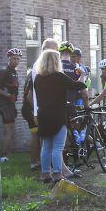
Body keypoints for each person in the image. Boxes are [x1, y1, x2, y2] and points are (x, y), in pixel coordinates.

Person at [31, 48, 86, 184]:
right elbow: (77, 86)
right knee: (58, 147)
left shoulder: (38, 78)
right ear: (56, 62)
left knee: (46, 146)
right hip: (58, 115)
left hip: (43, 116)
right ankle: (57, 174)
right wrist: (82, 74)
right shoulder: (59, 76)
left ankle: (45, 174)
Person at [0, 47, 21, 162]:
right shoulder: (3, 71)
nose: (16, 61)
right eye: (14, 58)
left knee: (11, 128)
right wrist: (7, 95)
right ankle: (3, 156)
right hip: (4, 103)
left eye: (18, 59)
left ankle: (6, 153)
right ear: (9, 58)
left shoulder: (14, 72)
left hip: (11, 103)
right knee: (8, 128)